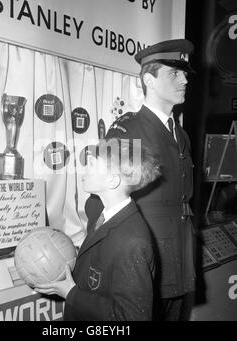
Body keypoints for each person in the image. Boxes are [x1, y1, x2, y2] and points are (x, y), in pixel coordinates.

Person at [87, 39, 196, 321]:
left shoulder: (180, 134)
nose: (185, 79)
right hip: (141, 263)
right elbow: (98, 202)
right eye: (174, 73)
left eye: (184, 73)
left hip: (177, 261)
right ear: (149, 80)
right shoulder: (129, 129)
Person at [34, 138, 161, 321]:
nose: (84, 169)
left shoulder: (131, 241)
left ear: (112, 181)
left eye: (92, 164)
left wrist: (71, 293)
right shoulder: (104, 217)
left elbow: (131, 317)